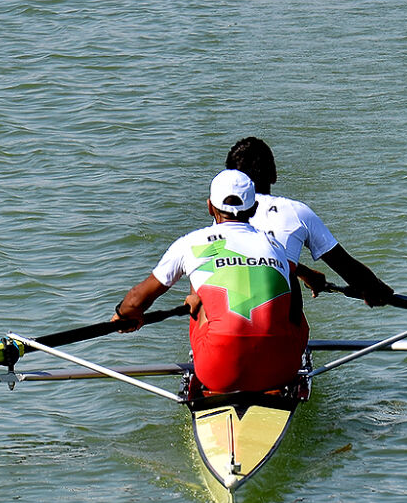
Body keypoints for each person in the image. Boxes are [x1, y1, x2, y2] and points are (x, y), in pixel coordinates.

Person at [112, 169, 309, 395]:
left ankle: (215, 385)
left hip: (217, 372)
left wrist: (123, 315)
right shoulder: (275, 245)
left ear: (209, 207)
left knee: (199, 294)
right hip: (280, 370)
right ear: (254, 209)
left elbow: (136, 300)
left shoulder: (190, 244)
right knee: (289, 291)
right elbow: (294, 308)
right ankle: (273, 378)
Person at [225, 136, 395, 306]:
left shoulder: (222, 219)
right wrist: (375, 289)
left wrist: (304, 272)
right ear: (273, 174)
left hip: (217, 326)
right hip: (276, 329)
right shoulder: (295, 212)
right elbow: (347, 267)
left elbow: (254, 255)